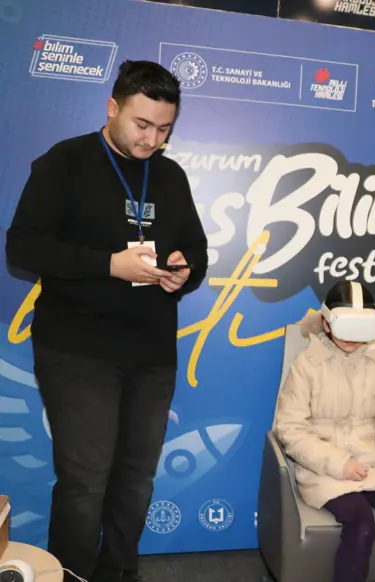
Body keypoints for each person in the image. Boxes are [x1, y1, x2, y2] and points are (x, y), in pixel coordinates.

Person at [5, 61, 208, 582]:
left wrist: (184, 270)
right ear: (112, 107)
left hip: (151, 353)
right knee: (85, 481)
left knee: (136, 479)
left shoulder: (171, 175)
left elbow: (197, 250)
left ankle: (120, 573)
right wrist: (108, 265)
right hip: (77, 350)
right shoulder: (65, 162)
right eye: (142, 124)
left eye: (164, 129)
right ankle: (71, 576)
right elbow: (22, 247)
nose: (152, 140)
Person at [272, 280, 375, 582]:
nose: (352, 337)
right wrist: (339, 463)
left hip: (374, 468)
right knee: (361, 526)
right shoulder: (307, 365)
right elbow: (290, 428)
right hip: (324, 471)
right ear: (327, 323)